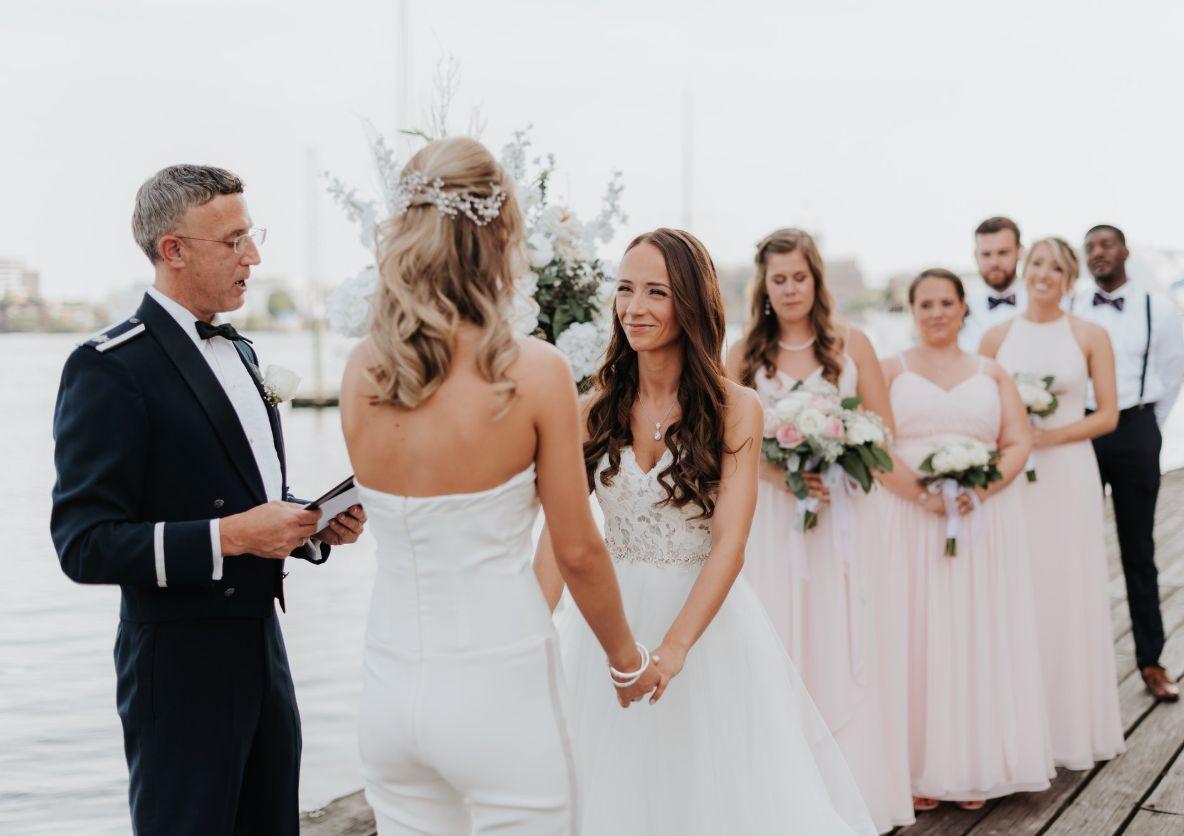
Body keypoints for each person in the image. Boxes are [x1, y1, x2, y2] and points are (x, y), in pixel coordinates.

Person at [339, 137, 658, 836]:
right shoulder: (532, 372)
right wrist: (624, 658)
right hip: (499, 688)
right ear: (501, 234)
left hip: (389, 691)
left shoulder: (363, 369)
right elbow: (578, 551)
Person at [50, 165, 366, 835]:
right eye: (233, 241)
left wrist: (310, 527)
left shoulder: (242, 353)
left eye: (252, 236)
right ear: (173, 250)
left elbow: (247, 496)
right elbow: (83, 544)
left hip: (264, 651)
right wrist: (233, 535)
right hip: (178, 669)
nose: (253, 257)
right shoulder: (109, 367)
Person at [535, 228, 876, 835]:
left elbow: (730, 545)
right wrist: (528, 637)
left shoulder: (735, 407)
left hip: (703, 625)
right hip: (604, 626)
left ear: (691, 302)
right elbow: (557, 545)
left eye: (656, 292)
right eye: (625, 289)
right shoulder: (591, 410)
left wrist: (673, 650)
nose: (634, 307)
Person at [726, 228, 908, 833]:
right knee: (779, 636)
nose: (790, 289)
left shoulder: (853, 344)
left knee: (841, 634)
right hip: (773, 522)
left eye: (799, 277)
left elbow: (883, 433)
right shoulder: (743, 354)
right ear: (764, 286)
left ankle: (855, 790)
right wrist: (783, 476)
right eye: (778, 279)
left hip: (843, 520)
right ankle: (781, 797)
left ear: (816, 280)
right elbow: (724, 444)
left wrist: (840, 454)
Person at [878, 269, 1055, 810]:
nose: (936, 313)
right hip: (909, 520)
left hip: (980, 521)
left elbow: (1018, 441)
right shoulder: (889, 369)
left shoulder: (992, 372)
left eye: (946, 303)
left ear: (963, 308)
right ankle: (913, 770)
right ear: (912, 311)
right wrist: (921, 495)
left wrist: (981, 489)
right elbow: (874, 446)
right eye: (925, 304)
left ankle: (973, 766)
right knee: (913, 633)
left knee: (975, 631)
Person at [981, 237, 1126, 769]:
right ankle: (1015, 728)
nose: (1045, 274)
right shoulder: (996, 337)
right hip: (1014, 479)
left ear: (1070, 278)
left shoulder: (1090, 335)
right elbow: (982, 408)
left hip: (1068, 475)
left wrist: (1046, 437)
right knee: (1016, 584)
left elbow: (1108, 415)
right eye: (1038, 263)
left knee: (1067, 585)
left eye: (1057, 267)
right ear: (1025, 270)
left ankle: (1071, 727)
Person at [1074, 224, 1184, 702]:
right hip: (1082, 432)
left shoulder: (1158, 308)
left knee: (1138, 549)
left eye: (1106, 244)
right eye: (1090, 247)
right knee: (1075, 548)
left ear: (1125, 251)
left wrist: (1146, 428)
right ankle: (1078, 664)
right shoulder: (1072, 307)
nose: (1098, 253)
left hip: (1136, 428)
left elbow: (1172, 373)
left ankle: (1151, 661)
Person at [959, 216, 1025, 352]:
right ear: (975, 255)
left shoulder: (1042, 301)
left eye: (1003, 253)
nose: (994, 262)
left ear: (1019, 251)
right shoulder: (961, 307)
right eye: (986, 254)